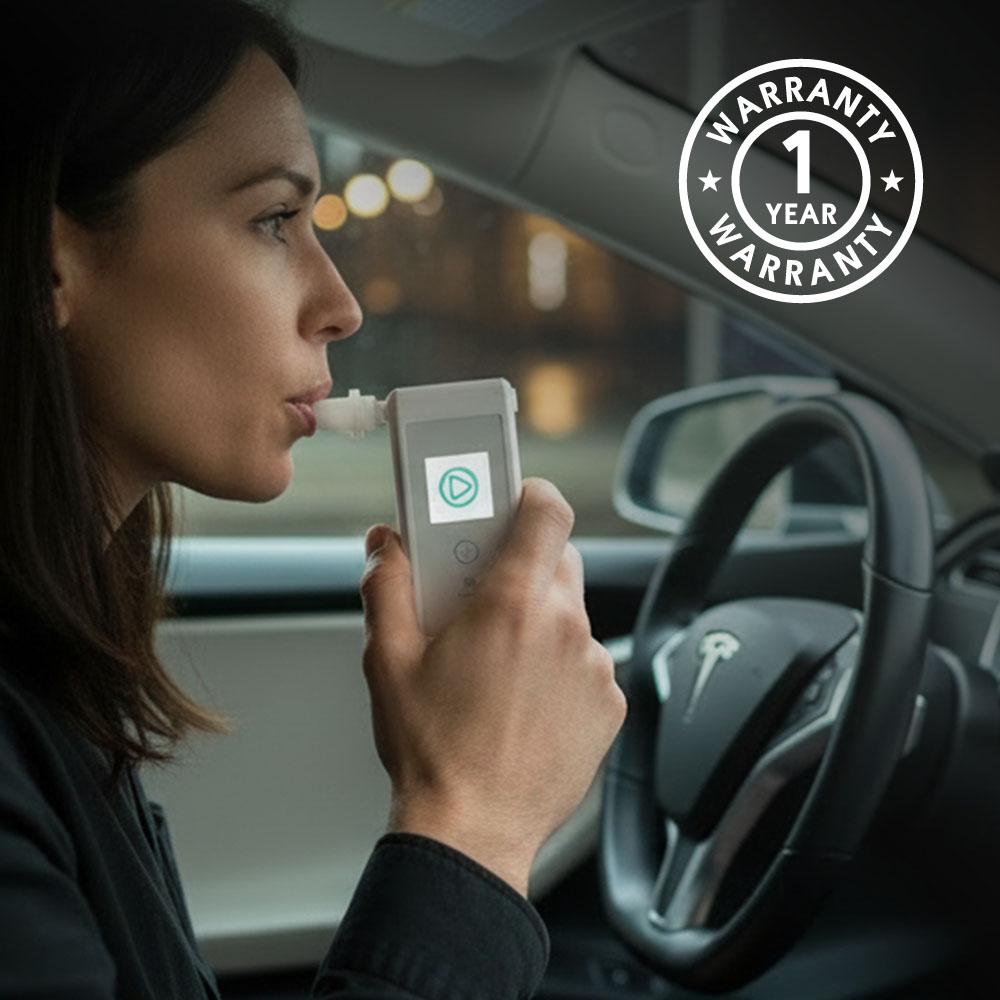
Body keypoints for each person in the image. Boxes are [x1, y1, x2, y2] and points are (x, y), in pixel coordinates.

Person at [0, 1, 628, 997]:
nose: (342, 306)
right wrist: (472, 821)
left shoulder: (50, 680)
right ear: (49, 263)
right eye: (272, 220)